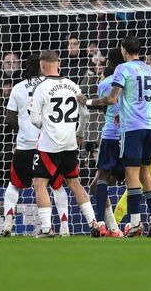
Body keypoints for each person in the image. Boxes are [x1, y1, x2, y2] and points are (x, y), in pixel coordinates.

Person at [78, 36, 151, 237]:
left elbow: (112, 98)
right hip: (150, 126)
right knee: (146, 174)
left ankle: (135, 223)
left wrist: (87, 102)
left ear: (124, 50)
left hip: (132, 128)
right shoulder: (149, 70)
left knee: (132, 175)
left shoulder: (122, 69)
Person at [0, 55, 71, 237]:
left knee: (14, 185)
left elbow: (9, 118)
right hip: (48, 144)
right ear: (42, 67)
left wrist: (23, 129)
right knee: (56, 186)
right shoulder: (50, 85)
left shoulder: (17, 88)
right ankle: (64, 226)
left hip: (25, 145)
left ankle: (8, 224)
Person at [29, 51, 96, 238]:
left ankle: (46, 228)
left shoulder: (41, 88)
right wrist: (79, 133)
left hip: (49, 146)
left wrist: (49, 126)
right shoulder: (73, 85)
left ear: (42, 66)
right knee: (75, 183)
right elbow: (86, 114)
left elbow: (35, 119)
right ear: (58, 63)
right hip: (70, 143)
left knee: (39, 183)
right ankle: (93, 223)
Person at [87, 48, 125, 237]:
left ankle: (102, 223)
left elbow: (104, 108)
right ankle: (117, 228)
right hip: (132, 135)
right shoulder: (133, 79)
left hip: (111, 136)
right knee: (140, 178)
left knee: (100, 181)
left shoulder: (105, 83)